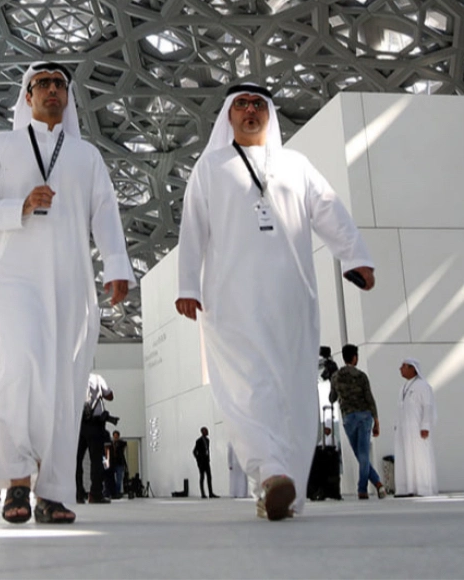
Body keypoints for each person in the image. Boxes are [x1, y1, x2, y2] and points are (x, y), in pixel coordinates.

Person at [175, 83, 376, 521]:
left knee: (295, 390)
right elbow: (193, 228)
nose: (250, 110)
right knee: (247, 388)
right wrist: (187, 284)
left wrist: (356, 256)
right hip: (231, 300)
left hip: (291, 297)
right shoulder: (210, 167)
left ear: (269, 115)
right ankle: (269, 471)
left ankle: (284, 487)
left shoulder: (295, 165)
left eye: (259, 105)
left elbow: (329, 210)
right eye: (242, 104)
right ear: (228, 114)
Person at [0, 62, 133, 526]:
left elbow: (105, 213)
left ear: (68, 95)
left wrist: (116, 267)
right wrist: (17, 207)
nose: (52, 91)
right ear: (27, 95)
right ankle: (17, 480)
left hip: (70, 280)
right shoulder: (0, 147)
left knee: (63, 383)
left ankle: (54, 492)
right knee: (19, 368)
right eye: (43, 84)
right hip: (13, 277)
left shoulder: (86, 156)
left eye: (60, 84)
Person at [330, 344, 385, 499]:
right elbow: (369, 398)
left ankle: (377, 485)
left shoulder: (336, 376)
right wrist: (376, 421)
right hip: (364, 416)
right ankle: (364, 488)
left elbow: (332, 398)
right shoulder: (361, 376)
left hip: (348, 418)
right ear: (354, 357)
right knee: (363, 454)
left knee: (360, 455)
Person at [394, 359, 437, 497]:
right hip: (404, 430)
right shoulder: (403, 388)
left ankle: (423, 488)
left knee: (420, 457)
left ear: (413, 369)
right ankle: (406, 488)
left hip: (418, 430)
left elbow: (428, 407)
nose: (400, 369)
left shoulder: (423, 386)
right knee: (404, 457)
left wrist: (425, 426)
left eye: (403, 366)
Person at [77, 372, 115, 504]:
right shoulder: (97, 378)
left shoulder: (71, 376)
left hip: (77, 424)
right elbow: (109, 395)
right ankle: (95, 494)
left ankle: (78, 493)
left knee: (76, 461)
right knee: (96, 460)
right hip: (95, 424)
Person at [194, 427, 218, 498]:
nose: (207, 432)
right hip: (201, 462)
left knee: (209, 477)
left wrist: (208, 458)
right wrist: (198, 459)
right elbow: (194, 451)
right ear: (202, 432)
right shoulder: (198, 441)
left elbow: (207, 450)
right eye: (206, 431)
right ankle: (203, 494)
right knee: (202, 477)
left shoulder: (207, 440)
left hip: (207, 461)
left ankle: (210, 493)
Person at [108, 430, 128, 499]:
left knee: (119, 479)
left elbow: (124, 445)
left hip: (119, 463)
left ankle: (117, 492)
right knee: (111, 479)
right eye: (114, 436)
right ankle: (113, 492)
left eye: (116, 436)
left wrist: (117, 442)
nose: (115, 438)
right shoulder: (111, 443)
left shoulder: (121, 443)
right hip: (113, 463)